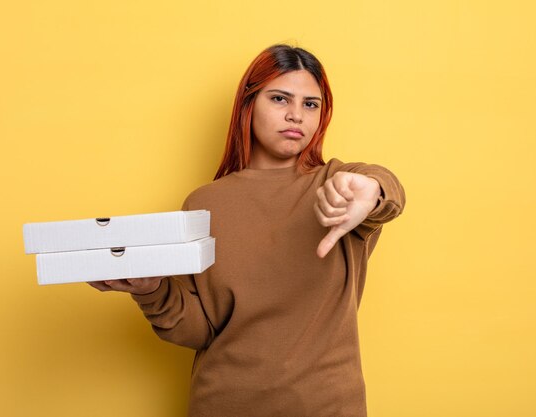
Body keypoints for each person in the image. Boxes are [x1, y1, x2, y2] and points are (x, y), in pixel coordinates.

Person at [89, 44, 406, 417]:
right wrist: (151, 291)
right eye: (279, 98)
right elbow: (201, 329)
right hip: (223, 405)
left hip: (327, 407)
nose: (296, 116)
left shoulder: (339, 187)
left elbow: (384, 187)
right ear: (248, 105)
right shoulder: (204, 203)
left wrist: (373, 191)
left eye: (311, 104)